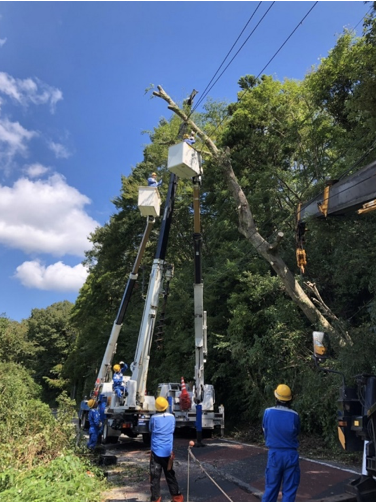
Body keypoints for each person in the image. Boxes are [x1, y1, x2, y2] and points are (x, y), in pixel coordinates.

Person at [262, 384, 300, 502]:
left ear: (276, 398)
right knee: (289, 489)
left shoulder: (268, 412)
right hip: (290, 454)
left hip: (274, 454)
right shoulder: (295, 415)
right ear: (290, 399)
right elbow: (296, 432)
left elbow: (265, 430)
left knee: (271, 488)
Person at [149, 396, 184, 502]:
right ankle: (177, 498)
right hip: (168, 452)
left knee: (155, 477)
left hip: (156, 452)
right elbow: (172, 429)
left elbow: (150, 429)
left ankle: (156, 499)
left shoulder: (154, 418)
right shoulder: (172, 417)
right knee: (170, 474)